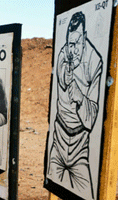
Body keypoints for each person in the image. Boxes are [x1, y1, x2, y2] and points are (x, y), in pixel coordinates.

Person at [47, 11, 102, 199]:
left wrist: (79, 96)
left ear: (85, 37)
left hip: (80, 146)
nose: (73, 49)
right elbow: (62, 77)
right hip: (59, 138)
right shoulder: (65, 52)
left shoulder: (95, 62)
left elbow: (91, 119)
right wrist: (66, 74)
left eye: (76, 43)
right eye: (70, 43)